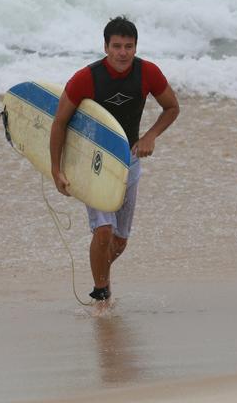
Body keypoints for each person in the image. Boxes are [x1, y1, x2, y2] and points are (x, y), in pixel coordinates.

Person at [49, 16, 180, 302]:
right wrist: (56, 169)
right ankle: (101, 293)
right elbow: (59, 123)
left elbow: (171, 107)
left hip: (128, 160)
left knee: (119, 241)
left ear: (136, 48)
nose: (123, 52)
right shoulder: (86, 78)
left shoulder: (148, 73)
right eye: (117, 46)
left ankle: (102, 278)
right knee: (104, 231)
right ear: (106, 47)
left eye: (129, 46)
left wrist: (150, 136)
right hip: (92, 161)